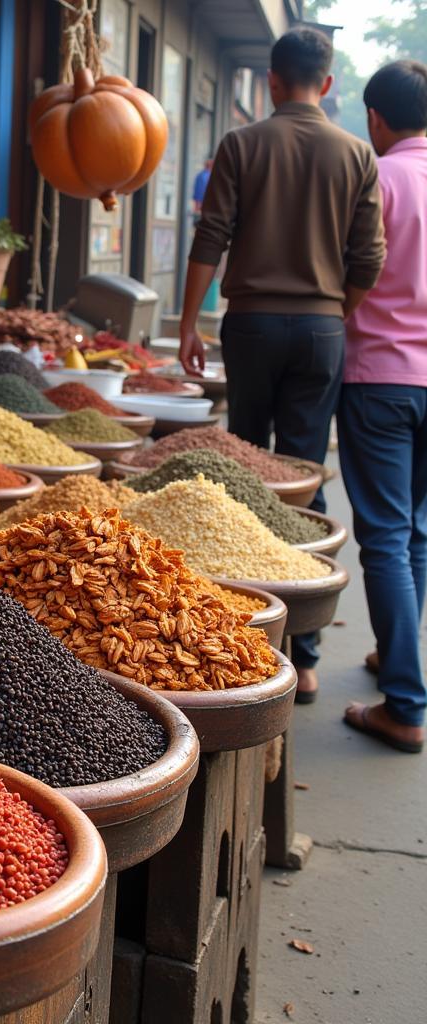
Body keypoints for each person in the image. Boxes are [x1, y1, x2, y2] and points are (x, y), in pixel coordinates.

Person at [179, 27, 385, 704]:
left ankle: (240, 635)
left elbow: (211, 236)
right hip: (321, 327)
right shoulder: (357, 152)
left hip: (253, 325)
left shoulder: (242, 144)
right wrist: (337, 311)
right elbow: (370, 257)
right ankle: (308, 654)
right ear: (327, 84)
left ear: (271, 80)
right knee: (300, 475)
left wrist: (187, 322)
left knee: (244, 472)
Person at [338, 61, 427, 754]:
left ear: (375, 118)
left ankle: (405, 703)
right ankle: (396, 660)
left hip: (380, 378)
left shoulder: (382, 179)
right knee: (418, 532)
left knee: (387, 537)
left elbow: (355, 269)